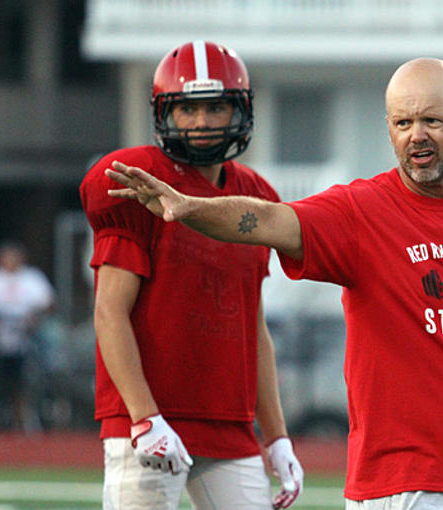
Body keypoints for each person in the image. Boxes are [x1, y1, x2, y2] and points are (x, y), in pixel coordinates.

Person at [104, 57, 443, 509]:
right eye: (403, 122)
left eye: (432, 121)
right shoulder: (361, 211)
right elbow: (268, 219)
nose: (416, 134)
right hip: (399, 487)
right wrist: (190, 207)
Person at [79, 40, 303, 510]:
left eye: (216, 107)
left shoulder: (255, 194)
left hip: (229, 425)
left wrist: (277, 435)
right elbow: (109, 312)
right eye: (188, 109)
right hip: (150, 418)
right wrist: (143, 417)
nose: (201, 123)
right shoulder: (136, 178)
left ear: (238, 109)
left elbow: (253, 328)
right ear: (166, 113)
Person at [0, 241, 54, 432]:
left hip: (21, 343)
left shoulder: (31, 278)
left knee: (20, 386)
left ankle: (20, 426)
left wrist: (33, 316)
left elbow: (49, 303)